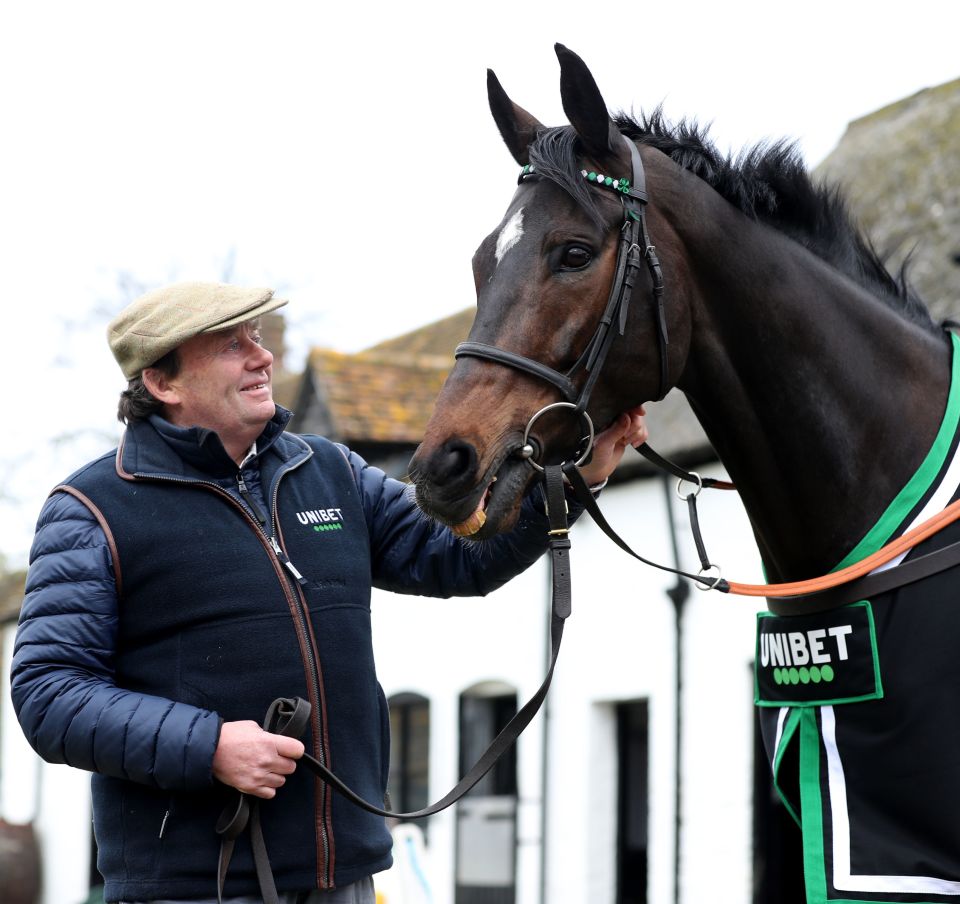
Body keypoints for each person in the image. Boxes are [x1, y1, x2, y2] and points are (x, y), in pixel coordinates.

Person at [10, 282, 648, 904]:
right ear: (162, 382)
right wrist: (209, 748)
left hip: (345, 870)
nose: (261, 356)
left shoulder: (329, 470)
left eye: (256, 337)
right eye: (230, 345)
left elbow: (458, 557)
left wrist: (573, 480)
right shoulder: (91, 508)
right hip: (193, 885)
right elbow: (49, 694)